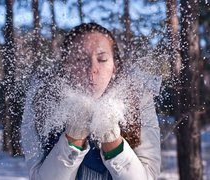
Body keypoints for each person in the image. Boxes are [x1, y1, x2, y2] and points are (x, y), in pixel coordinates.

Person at [21, 22, 162, 180]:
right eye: (80, 59)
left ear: (114, 65)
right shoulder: (41, 100)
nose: (92, 68)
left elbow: (149, 177)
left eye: (102, 59)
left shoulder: (138, 98)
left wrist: (111, 138)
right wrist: (73, 137)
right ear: (66, 65)